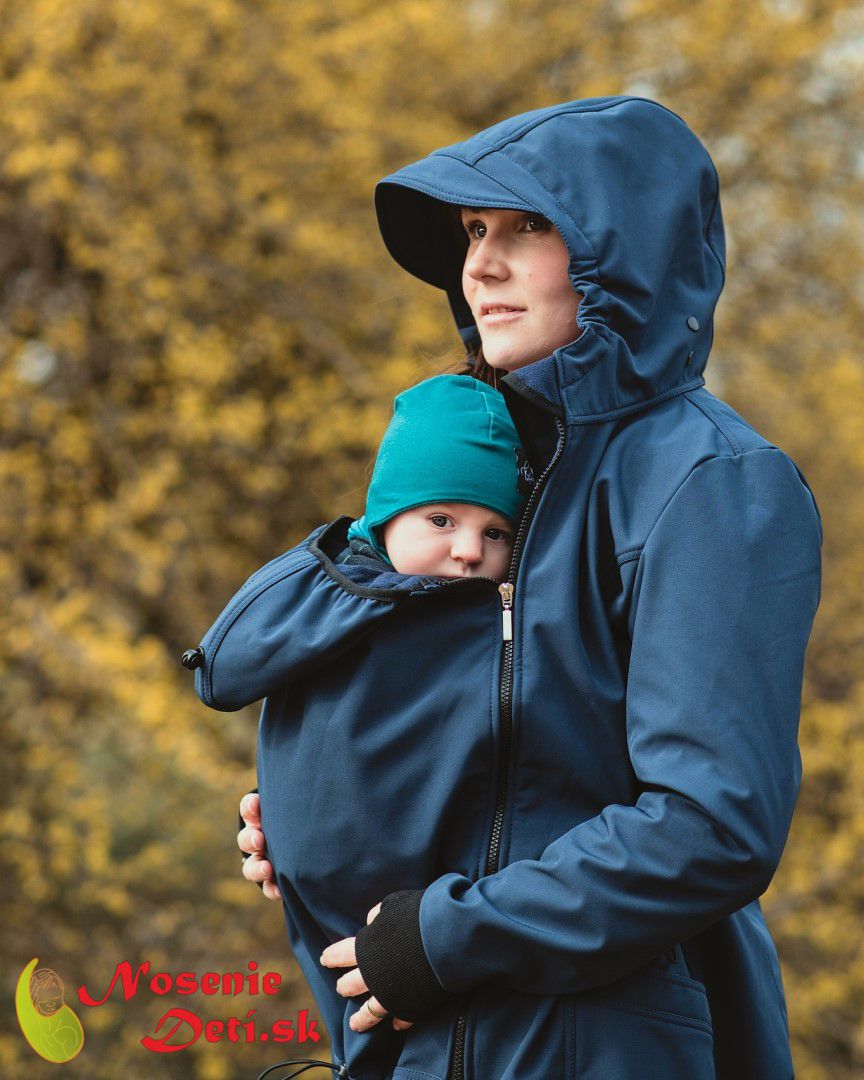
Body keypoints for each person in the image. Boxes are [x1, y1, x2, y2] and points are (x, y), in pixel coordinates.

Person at [231, 95, 823, 1080]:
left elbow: (712, 824)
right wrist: (327, 798)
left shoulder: (712, 482)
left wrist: (451, 937)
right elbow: (516, 755)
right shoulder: (485, 472)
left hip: (604, 1047)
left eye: (528, 227)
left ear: (621, 250)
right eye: (473, 230)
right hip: (429, 1044)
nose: (483, 263)